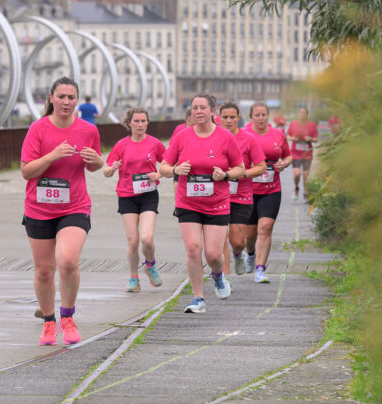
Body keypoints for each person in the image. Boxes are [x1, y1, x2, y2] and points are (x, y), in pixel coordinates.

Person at [21, 77, 103, 346]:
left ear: (77, 100)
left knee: (67, 260)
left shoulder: (88, 130)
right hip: (39, 208)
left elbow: (94, 165)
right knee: (44, 270)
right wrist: (52, 155)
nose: (66, 102)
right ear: (51, 98)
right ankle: (49, 322)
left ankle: (68, 318)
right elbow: (26, 171)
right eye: (61, 97)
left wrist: (97, 161)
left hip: (74, 206)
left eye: (71, 97)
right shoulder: (38, 129)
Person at [160, 93, 245, 313]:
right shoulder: (182, 136)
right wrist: (176, 170)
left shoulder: (225, 136)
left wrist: (225, 175)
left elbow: (240, 168)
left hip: (217, 203)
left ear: (212, 110)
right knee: (192, 248)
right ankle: (198, 298)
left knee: (214, 255)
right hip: (188, 202)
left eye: (203, 108)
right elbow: (163, 167)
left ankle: (217, 275)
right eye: (195, 108)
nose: (198, 111)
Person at [103, 106, 166, 292]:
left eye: (143, 121)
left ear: (147, 123)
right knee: (133, 241)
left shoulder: (154, 143)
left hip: (148, 195)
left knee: (147, 238)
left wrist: (158, 174)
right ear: (129, 123)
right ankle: (133, 278)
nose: (140, 125)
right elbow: (106, 171)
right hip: (127, 195)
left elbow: (168, 164)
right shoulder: (121, 145)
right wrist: (112, 168)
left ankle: (150, 264)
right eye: (136, 121)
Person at [217, 102, 266, 277]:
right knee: (219, 240)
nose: (228, 121)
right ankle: (224, 279)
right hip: (216, 196)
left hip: (241, 196)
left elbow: (261, 167)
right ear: (219, 118)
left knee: (237, 242)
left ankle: (238, 255)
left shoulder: (248, 139)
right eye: (225, 117)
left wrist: (241, 173)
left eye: (232, 117)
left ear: (239, 118)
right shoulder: (213, 137)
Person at [247, 101, 293, 282]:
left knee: (265, 228)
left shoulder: (278, 135)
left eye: (263, 115)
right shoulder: (244, 134)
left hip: (271, 189)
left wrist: (284, 163)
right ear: (251, 117)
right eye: (257, 115)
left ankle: (260, 269)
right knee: (249, 234)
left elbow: (288, 155)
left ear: (268, 116)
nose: (260, 118)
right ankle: (250, 253)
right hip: (248, 190)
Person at [287, 107, 318, 199]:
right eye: (300, 112)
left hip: (307, 154)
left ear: (307, 114)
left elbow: (316, 139)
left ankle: (305, 192)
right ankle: (296, 188)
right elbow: (288, 135)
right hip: (295, 153)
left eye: (304, 112)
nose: (302, 114)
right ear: (298, 114)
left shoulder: (311, 125)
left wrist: (310, 139)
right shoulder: (293, 124)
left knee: (305, 176)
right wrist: (293, 138)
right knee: (297, 174)